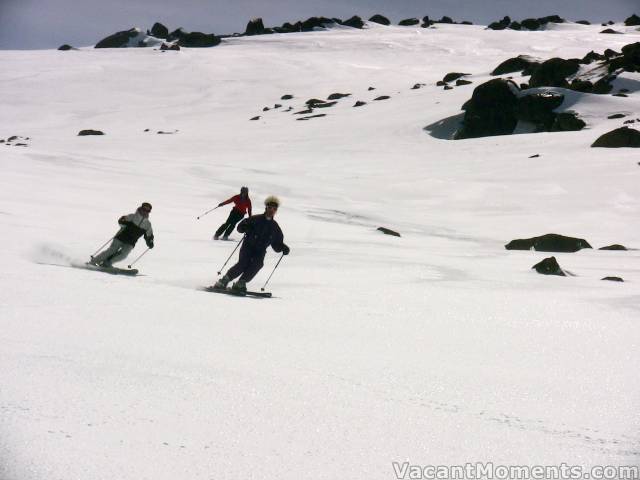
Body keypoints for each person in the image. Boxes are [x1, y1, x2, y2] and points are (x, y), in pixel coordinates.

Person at [215, 195, 289, 292]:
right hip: (248, 246)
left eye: (274, 209)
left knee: (258, 264)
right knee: (243, 263)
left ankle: (241, 283)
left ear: (276, 211)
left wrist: (283, 248)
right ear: (266, 208)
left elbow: (276, 245)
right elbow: (240, 227)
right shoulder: (255, 219)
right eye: (270, 208)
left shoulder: (275, 228)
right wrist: (244, 227)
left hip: (260, 250)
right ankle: (224, 280)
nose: (272, 210)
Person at [90, 202, 154, 267]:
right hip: (121, 237)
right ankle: (94, 261)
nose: (145, 212)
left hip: (131, 242)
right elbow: (121, 221)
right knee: (112, 250)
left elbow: (149, 235)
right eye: (144, 209)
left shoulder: (147, 224)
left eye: (147, 210)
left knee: (124, 255)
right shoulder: (132, 216)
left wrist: (150, 242)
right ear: (141, 208)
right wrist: (124, 222)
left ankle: (107, 263)